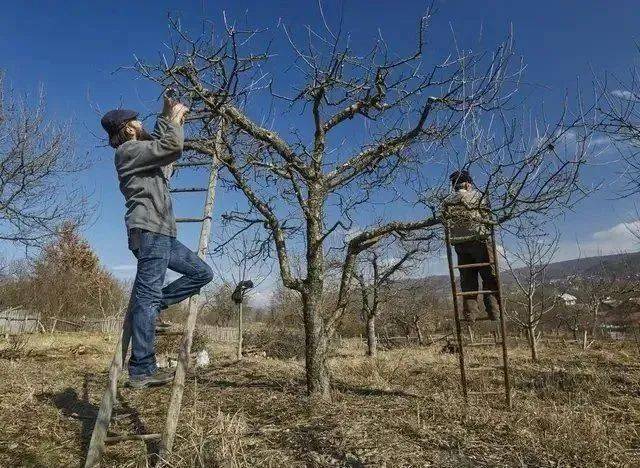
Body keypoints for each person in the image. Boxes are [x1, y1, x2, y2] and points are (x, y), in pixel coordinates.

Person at [101, 95, 214, 389]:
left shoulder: (142, 155)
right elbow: (171, 147)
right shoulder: (128, 151)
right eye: (136, 120)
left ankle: (151, 304)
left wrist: (167, 117)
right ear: (127, 129)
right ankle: (141, 369)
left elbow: (165, 159)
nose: (141, 122)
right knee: (147, 299)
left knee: (202, 274)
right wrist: (175, 120)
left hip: (162, 234)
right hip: (149, 232)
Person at [443, 170, 499, 323]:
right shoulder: (478, 197)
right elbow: (488, 216)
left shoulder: (447, 201)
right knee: (489, 278)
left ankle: (470, 315)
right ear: (468, 183)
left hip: (460, 245)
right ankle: (495, 312)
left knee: (468, 281)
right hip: (480, 242)